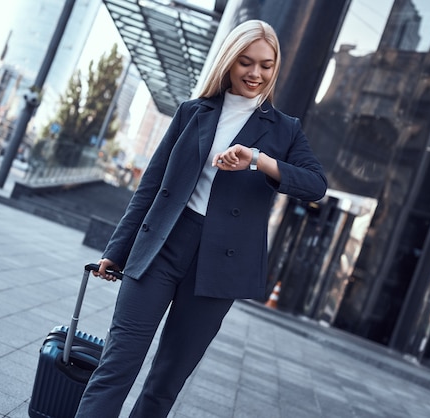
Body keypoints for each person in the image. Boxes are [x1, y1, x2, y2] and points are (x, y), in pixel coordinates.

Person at [75, 19, 327, 418]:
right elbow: (151, 187)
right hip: (161, 247)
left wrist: (258, 161)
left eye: (266, 64)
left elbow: (316, 185)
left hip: (220, 265)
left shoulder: (285, 130)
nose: (255, 74)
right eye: (246, 62)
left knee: (165, 383)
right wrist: (117, 250)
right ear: (229, 61)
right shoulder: (193, 112)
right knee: (116, 365)